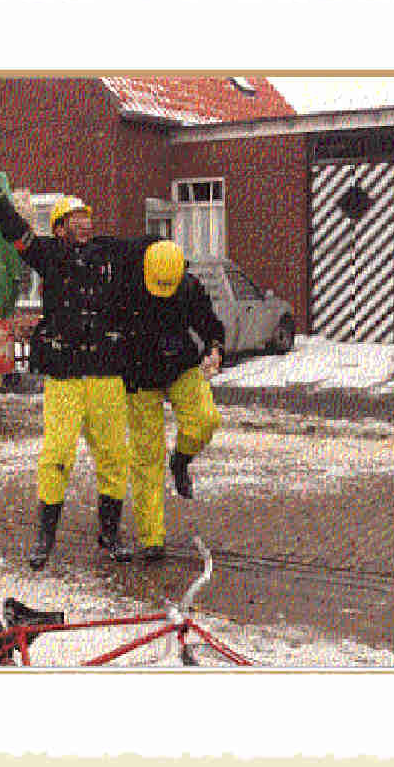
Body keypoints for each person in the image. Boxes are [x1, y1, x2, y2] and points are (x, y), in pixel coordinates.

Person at [0, 178, 138, 571]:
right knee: (56, 456)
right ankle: (45, 537)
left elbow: (146, 251)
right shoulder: (48, 254)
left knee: (114, 456)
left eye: (86, 216)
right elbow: (16, 232)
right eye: (74, 218)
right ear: (58, 228)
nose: (83, 223)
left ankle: (111, 533)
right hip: (65, 375)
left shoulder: (108, 252)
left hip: (105, 374)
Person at [121, 240, 226, 564]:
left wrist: (215, 348)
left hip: (181, 365)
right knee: (146, 457)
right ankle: (152, 537)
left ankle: (180, 461)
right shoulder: (126, 289)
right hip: (139, 376)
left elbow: (209, 324)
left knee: (205, 420)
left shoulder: (190, 288)